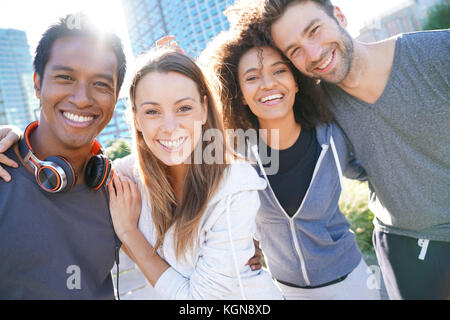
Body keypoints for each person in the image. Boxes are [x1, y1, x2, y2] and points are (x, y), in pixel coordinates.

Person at [255, 0, 449, 299]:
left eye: (315, 30)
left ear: (340, 16)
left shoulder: (438, 52)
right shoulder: (319, 110)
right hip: (406, 250)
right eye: (295, 50)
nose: (314, 53)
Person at [198, 15, 379, 299]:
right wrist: (249, 244)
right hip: (284, 291)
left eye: (279, 71)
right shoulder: (238, 154)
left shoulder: (332, 136)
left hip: (350, 283)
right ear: (241, 94)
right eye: (252, 77)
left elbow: (374, 170)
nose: (268, 84)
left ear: (296, 81)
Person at [108, 48, 284, 299]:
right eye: (152, 111)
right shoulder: (126, 176)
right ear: (136, 118)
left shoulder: (235, 183)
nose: (169, 128)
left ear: (203, 109)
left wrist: (128, 234)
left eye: (183, 108)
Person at [0, 13, 127, 299]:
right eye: (65, 77)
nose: (82, 98)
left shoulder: (120, 189)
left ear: (116, 97)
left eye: (101, 84)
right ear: (37, 84)